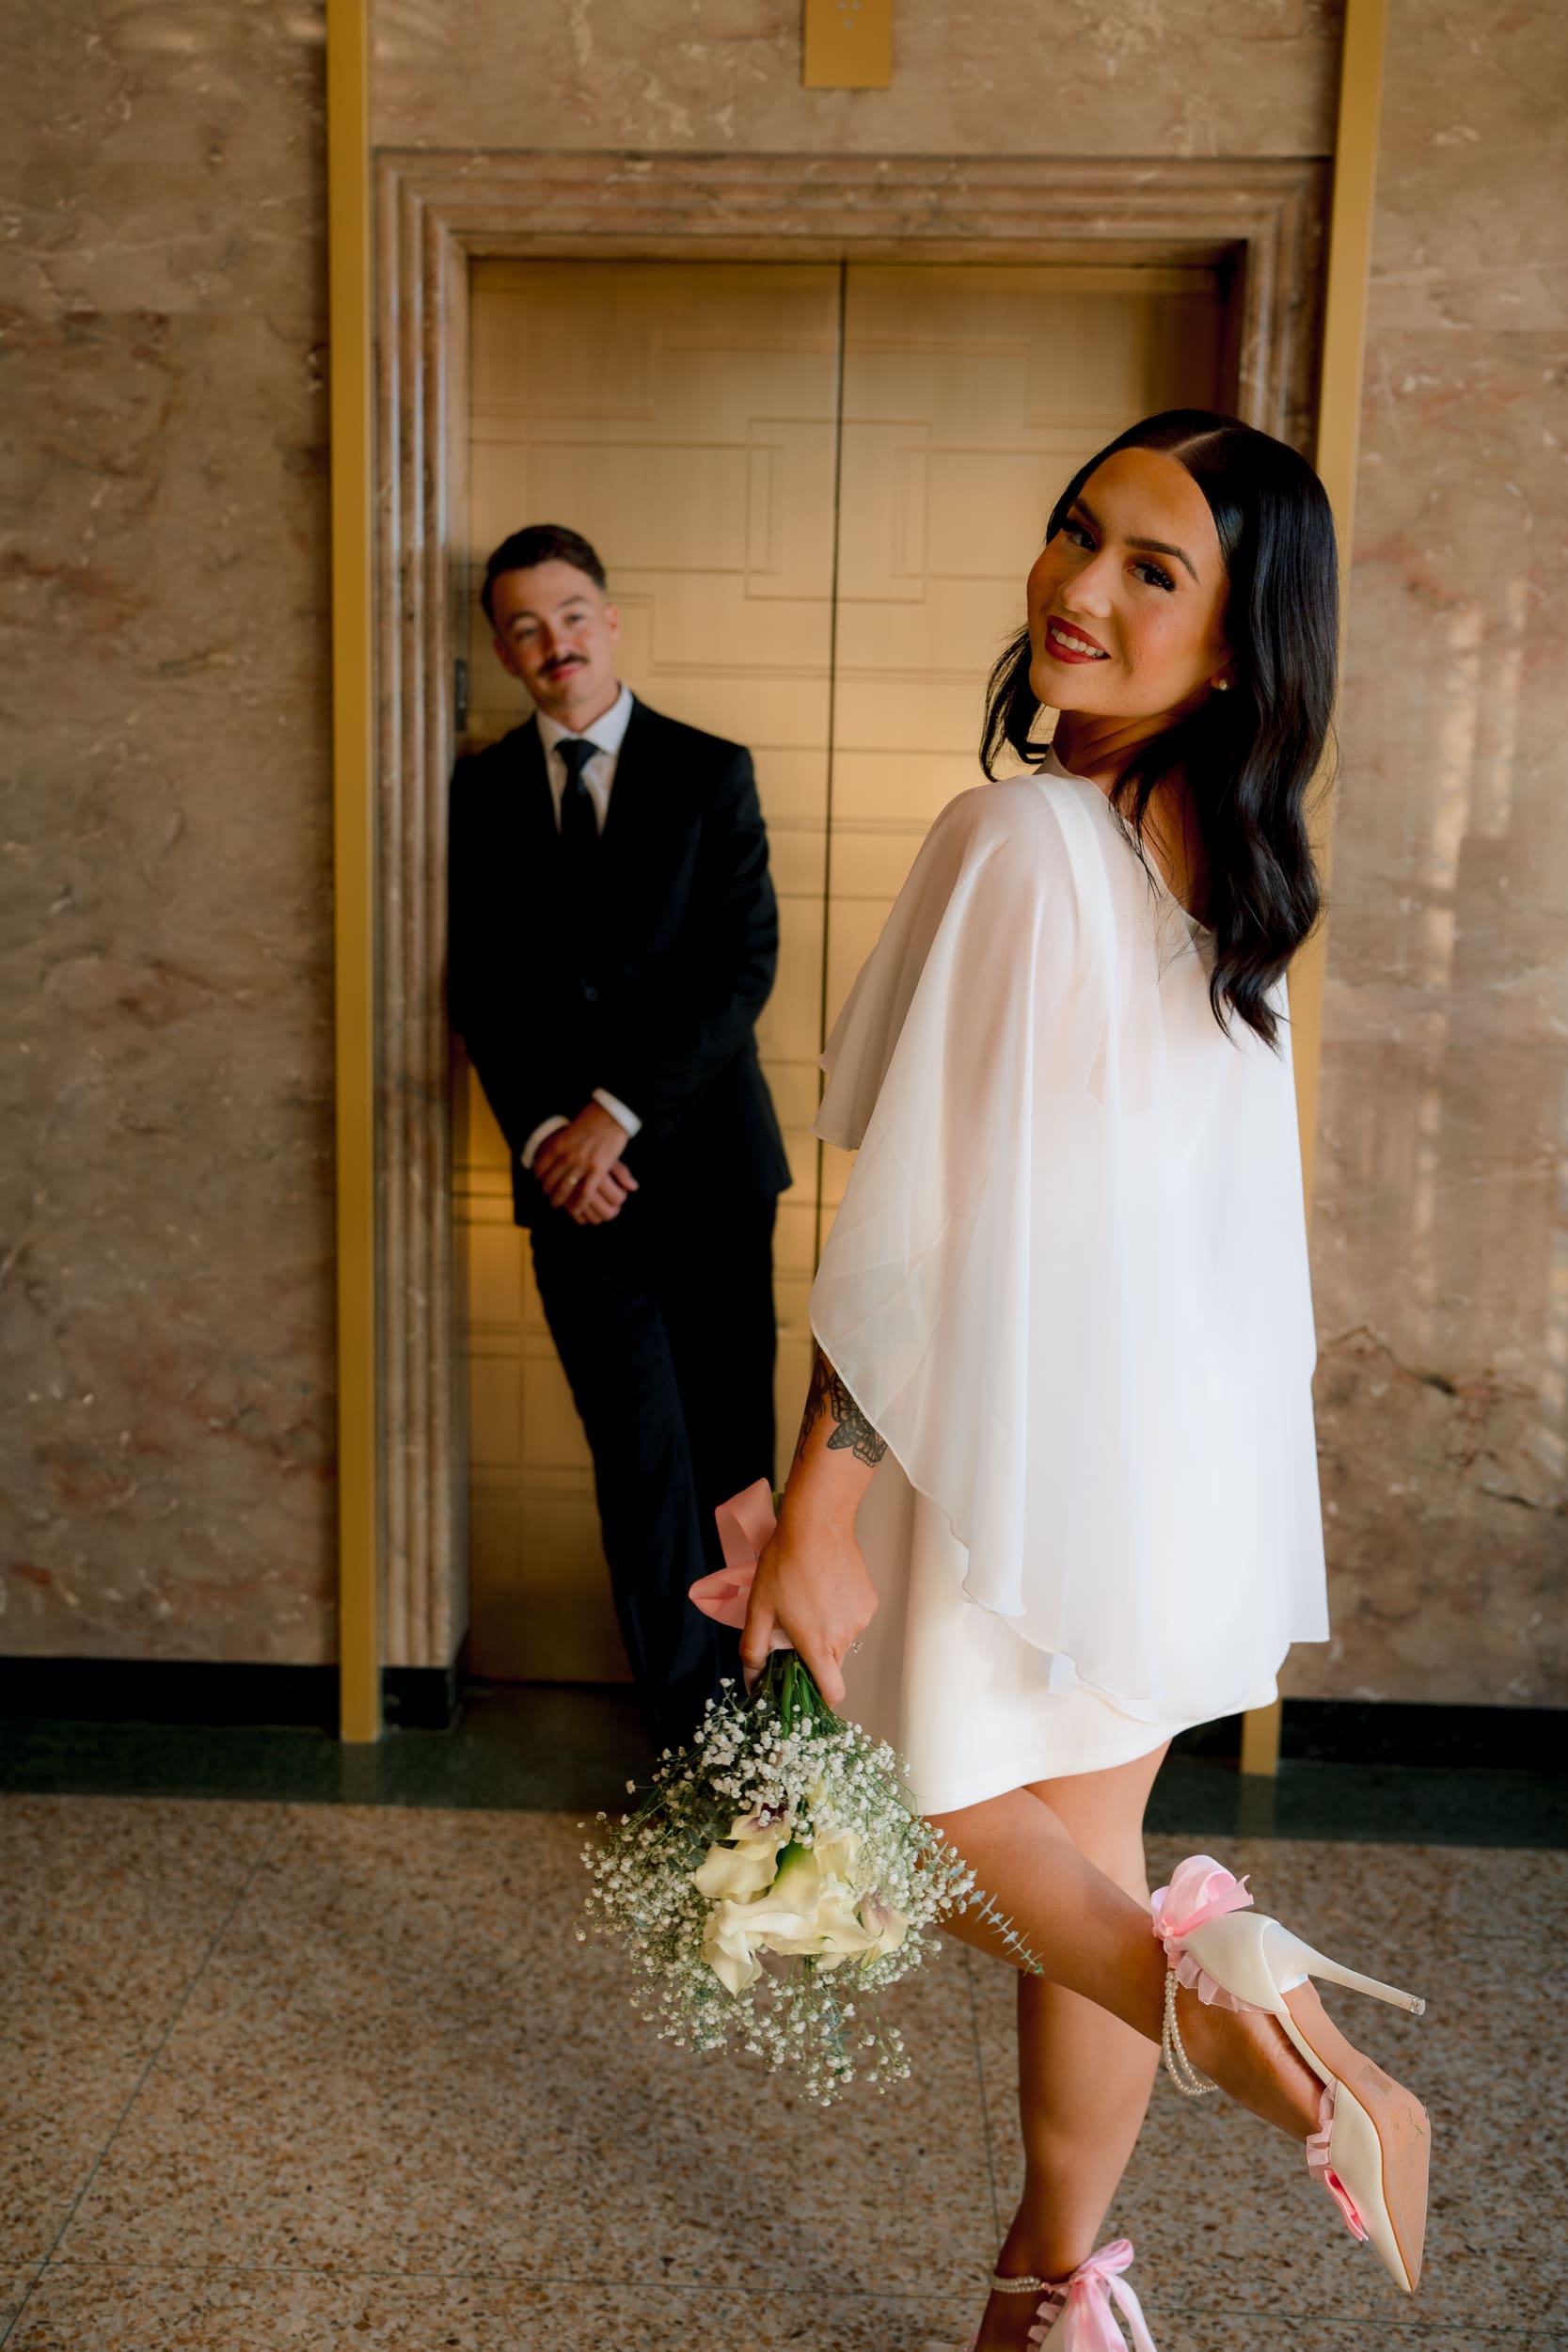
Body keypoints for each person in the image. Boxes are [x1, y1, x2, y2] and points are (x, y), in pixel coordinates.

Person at [739, 414, 1430, 2350]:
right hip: (1182, 1459)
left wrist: (822, 1499)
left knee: (922, 1798)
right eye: (1076, 535)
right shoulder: (1243, 883)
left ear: (1237, 645)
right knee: (1095, 1858)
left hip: (1018, 1454)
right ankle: (1054, 2297)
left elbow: (916, 1231)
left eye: (1152, 569)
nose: (1077, 587)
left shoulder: (1027, 836)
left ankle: (1301, 2065)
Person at [449, 523, 790, 1749]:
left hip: (708, 1175)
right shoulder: (477, 792)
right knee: (640, 1467)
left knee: (733, 1469)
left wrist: (613, 1115)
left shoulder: (709, 770)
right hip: (569, 1195)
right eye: (528, 626)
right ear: (502, 648)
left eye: (574, 612)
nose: (557, 643)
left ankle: (773, 1741)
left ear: (612, 618)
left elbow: (740, 967)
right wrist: (557, 1136)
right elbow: (480, 989)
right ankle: (691, 1750)